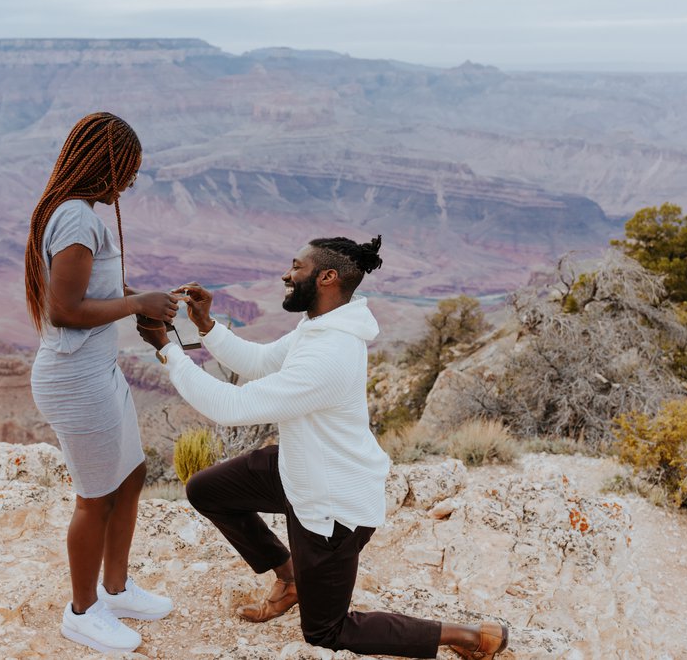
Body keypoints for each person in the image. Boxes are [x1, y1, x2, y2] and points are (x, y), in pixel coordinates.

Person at [137, 236, 508, 659]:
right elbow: (259, 363)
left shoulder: (330, 354)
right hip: (301, 467)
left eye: (296, 266)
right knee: (207, 490)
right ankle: (290, 576)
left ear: (327, 277)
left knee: (325, 632)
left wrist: (167, 349)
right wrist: (206, 325)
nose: (286, 274)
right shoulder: (320, 326)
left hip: (333, 502)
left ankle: (470, 636)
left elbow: (230, 405)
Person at [25, 112, 176, 654]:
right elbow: (63, 309)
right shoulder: (72, 218)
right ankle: (83, 611)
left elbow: (97, 286)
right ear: (103, 163)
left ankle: (116, 589)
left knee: (131, 476)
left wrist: (143, 299)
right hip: (74, 378)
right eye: (128, 169)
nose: (130, 182)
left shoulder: (85, 214)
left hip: (98, 370)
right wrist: (136, 304)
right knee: (95, 497)